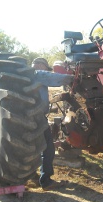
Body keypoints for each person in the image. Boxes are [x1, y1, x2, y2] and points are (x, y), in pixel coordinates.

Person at [31, 57, 73, 191]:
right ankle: (46, 181)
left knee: (32, 148)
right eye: (45, 68)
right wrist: (74, 78)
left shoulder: (25, 77)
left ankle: (31, 176)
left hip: (28, 118)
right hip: (37, 118)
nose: (46, 71)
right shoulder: (37, 74)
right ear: (39, 65)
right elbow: (56, 78)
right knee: (48, 148)